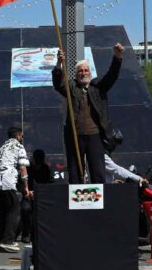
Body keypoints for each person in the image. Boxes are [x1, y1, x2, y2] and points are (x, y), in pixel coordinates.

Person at [51, 44, 124, 183]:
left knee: (97, 171)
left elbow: (112, 75)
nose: (83, 73)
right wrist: (59, 63)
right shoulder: (72, 86)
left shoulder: (98, 86)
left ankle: (97, 203)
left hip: (95, 135)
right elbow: (58, 84)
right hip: (75, 135)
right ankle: (77, 203)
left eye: (86, 70)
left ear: (90, 72)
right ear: (76, 74)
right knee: (75, 171)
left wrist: (117, 57)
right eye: (80, 71)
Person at [0, 126, 30, 253]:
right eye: (22, 136)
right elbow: (23, 169)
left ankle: (3, 240)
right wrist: (26, 187)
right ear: (18, 136)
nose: (22, 138)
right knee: (14, 210)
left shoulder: (2, 147)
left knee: (3, 211)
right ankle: (8, 241)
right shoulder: (18, 147)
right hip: (7, 180)